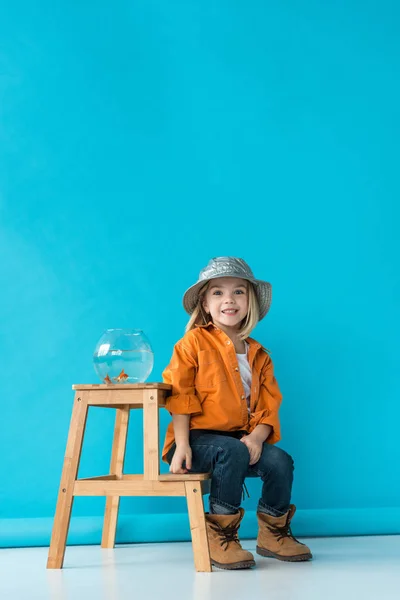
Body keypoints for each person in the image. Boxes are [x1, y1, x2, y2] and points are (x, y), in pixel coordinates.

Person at [162, 257, 312, 570]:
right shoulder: (192, 344)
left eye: (238, 292)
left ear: (250, 302)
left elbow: (269, 405)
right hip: (194, 441)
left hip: (241, 441)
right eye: (217, 293)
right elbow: (180, 394)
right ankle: (219, 534)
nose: (229, 300)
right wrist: (183, 445)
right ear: (204, 303)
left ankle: (273, 533)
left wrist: (258, 437)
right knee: (230, 451)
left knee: (280, 461)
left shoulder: (259, 355)